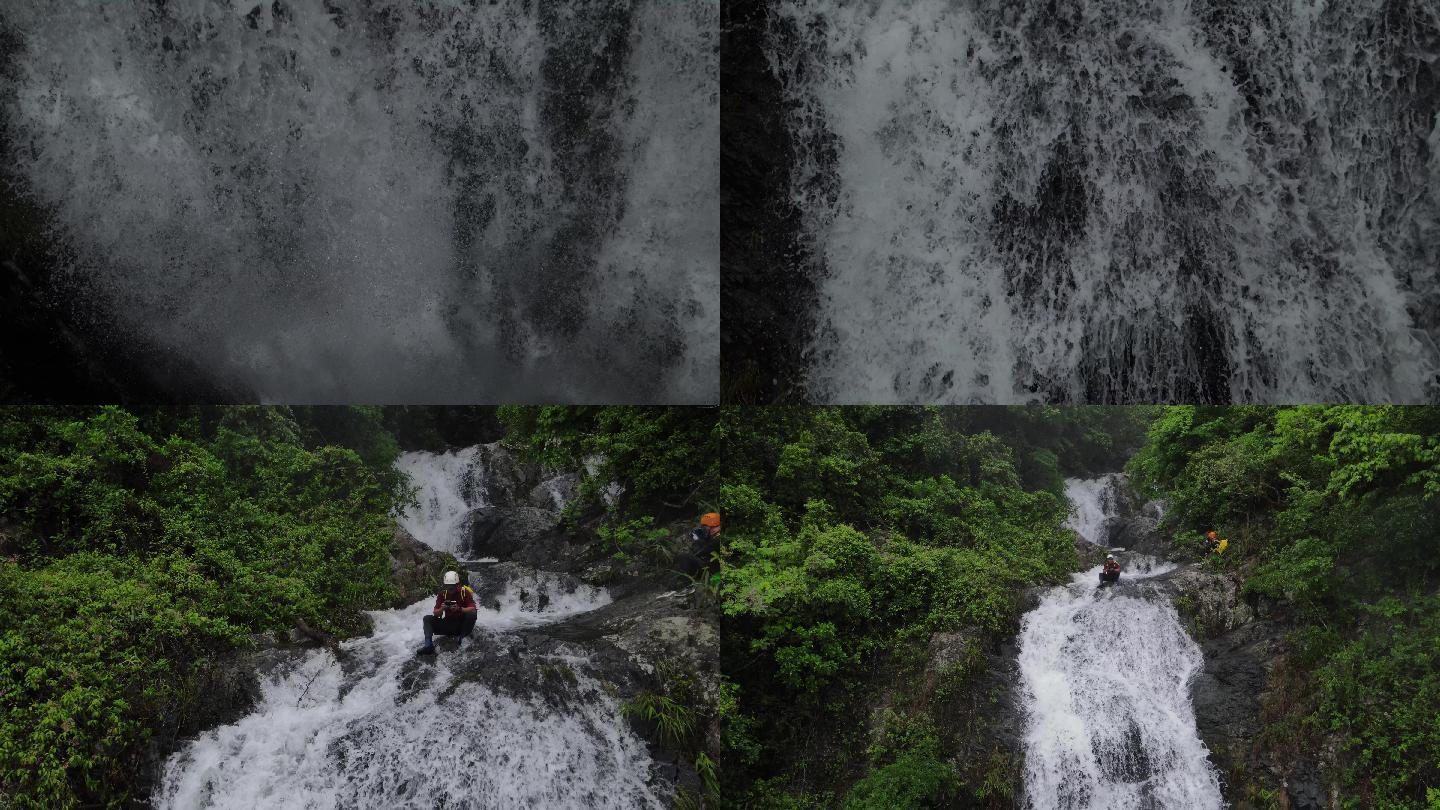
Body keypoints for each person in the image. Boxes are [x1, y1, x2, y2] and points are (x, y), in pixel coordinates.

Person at [416, 570, 477, 655]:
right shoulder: (442, 594)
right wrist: (442, 609)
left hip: (461, 625)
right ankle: (428, 645)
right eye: (448, 586)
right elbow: (435, 612)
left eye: (452, 586)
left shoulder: (464, 592)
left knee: (472, 614)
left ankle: (461, 639)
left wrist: (460, 609)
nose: (450, 588)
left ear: (457, 584)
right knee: (427, 618)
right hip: (448, 624)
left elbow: (473, 608)